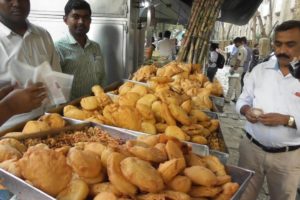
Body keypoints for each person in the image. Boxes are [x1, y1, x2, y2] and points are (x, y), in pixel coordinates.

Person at [236, 20, 300, 200]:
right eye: (278, 44)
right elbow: (242, 100)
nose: (282, 50)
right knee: (242, 195)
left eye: (290, 44)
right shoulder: (259, 70)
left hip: (288, 158)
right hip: (251, 150)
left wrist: (286, 120)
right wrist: (246, 110)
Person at [0, 0, 61, 128]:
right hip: (8, 133)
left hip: (47, 123)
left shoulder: (43, 35)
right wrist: (11, 105)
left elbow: (55, 81)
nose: (16, 3)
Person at [55, 0, 106, 100]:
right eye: (76, 17)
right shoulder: (58, 48)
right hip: (71, 109)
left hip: (96, 103)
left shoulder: (95, 46)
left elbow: (102, 76)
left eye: (85, 17)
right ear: (65, 20)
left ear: (90, 21)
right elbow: (55, 87)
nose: (81, 22)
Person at [225, 37, 247, 103]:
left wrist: (234, 69)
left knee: (231, 84)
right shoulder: (243, 49)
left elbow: (238, 60)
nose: (234, 45)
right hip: (240, 68)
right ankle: (238, 98)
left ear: (238, 42)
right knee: (238, 84)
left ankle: (227, 98)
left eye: (235, 43)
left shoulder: (240, 49)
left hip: (236, 68)